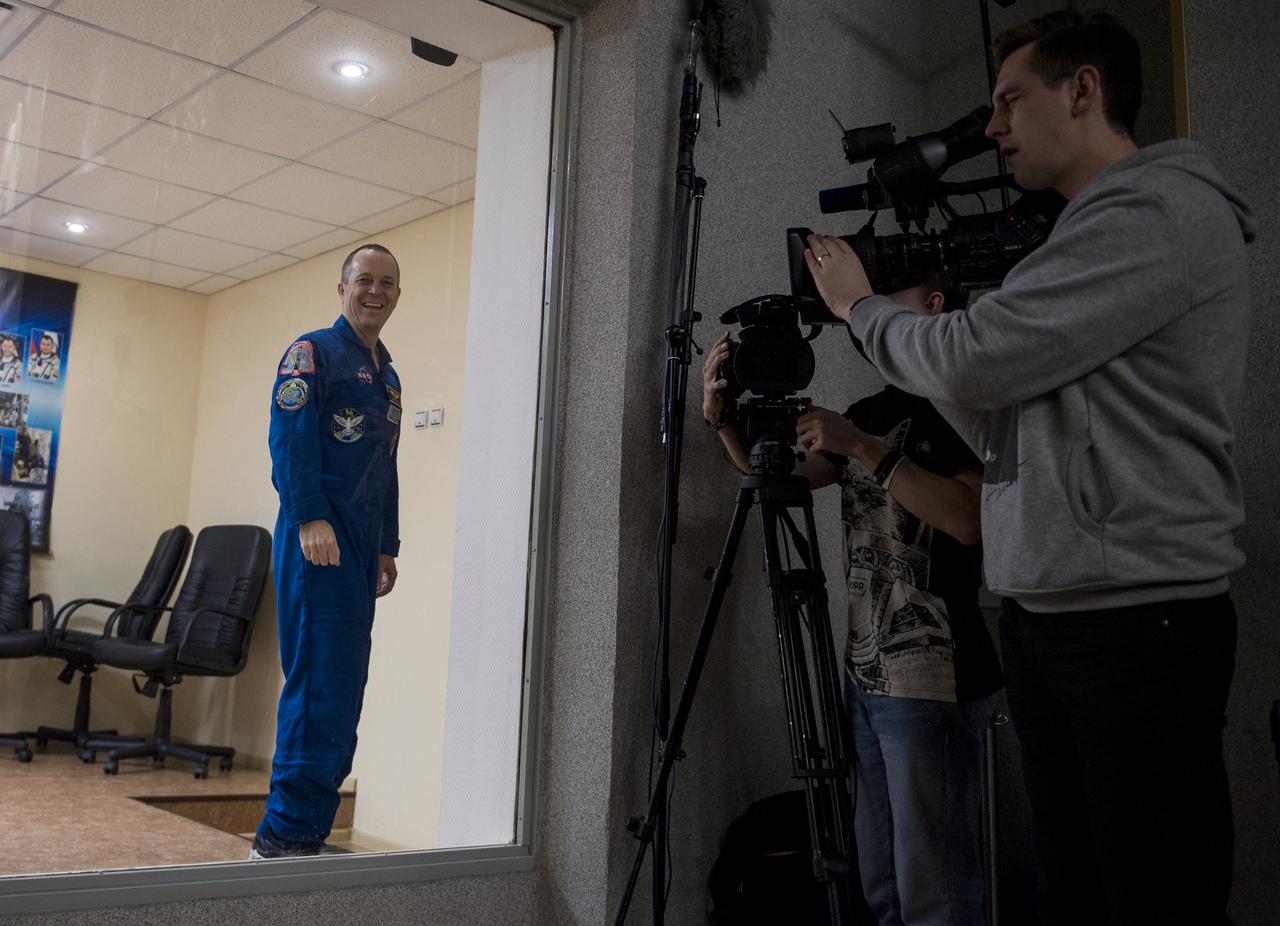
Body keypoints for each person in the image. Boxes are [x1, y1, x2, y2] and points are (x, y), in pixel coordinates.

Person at [804, 12, 1253, 926]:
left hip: (1135, 621)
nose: (995, 125)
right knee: (1074, 895)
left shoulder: (1151, 212)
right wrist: (920, 359)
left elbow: (975, 356)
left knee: (1151, 899)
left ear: (1083, 90)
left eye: (1011, 100)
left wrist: (861, 309)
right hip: (1056, 615)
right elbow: (999, 415)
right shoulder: (1082, 240)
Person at [703, 276, 1003, 926]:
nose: (866, 312)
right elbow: (778, 476)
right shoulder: (869, 410)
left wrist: (862, 446)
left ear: (935, 306)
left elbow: (967, 521)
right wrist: (724, 419)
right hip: (867, 676)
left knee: (936, 888)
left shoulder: (962, 404)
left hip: (934, 678)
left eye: (885, 297)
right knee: (882, 885)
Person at [252, 243, 404, 860]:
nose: (375, 291)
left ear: (398, 295)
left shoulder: (387, 375)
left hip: (361, 551)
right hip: (318, 543)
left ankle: (307, 833)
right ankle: (280, 838)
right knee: (318, 687)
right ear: (342, 288)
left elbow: (386, 467)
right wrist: (309, 516)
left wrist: (387, 545)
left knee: (342, 689)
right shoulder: (311, 353)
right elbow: (289, 441)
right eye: (364, 280)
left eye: (387, 283)